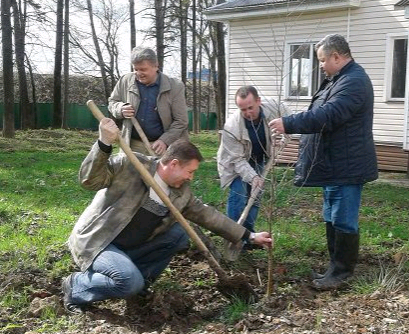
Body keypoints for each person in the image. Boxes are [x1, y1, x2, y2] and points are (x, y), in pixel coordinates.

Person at [61, 118, 272, 314]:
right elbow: (89, 180)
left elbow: (209, 215)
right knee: (127, 281)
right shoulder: (131, 165)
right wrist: (103, 144)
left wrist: (249, 236)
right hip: (100, 241)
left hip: (129, 248)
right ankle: (76, 286)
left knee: (179, 235)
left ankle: (139, 286)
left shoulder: (180, 193)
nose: (191, 177)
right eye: (190, 171)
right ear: (173, 164)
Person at [269, 34, 377, 290]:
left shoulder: (354, 82)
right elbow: (319, 114)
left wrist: (290, 123)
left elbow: (329, 115)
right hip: (334, 164)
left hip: (346, 166)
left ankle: (341, 273)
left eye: (321, 60)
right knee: (331, 216)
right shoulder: (337, 80)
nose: (320, 65)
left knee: (343, 219)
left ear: (336, 57)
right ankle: (334, 267)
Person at [217, 86, 291, 248]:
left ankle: (249, 237)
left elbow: (289, 116)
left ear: (258, 101)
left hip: (259, 159)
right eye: (243, 109)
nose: (248, 113)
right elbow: (237, 161)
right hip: (234, 164)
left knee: (255, 199)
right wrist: (253, 177)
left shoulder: (274, 108)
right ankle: (234, 238)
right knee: (240, 196)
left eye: (250, 107)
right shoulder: (231, 127)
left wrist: (287, 130)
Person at [108, 47, 188, 156]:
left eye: (143, 69)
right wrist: (120, 109)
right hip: (132, 146)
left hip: (163, 148)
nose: (138, 73)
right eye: (135, 69)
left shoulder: (175, 86)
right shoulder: (125, 81)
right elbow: (112, 102)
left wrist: (165, 140)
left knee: (158, 174)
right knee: (129, 173)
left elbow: (181, 121)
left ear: (156, 66)